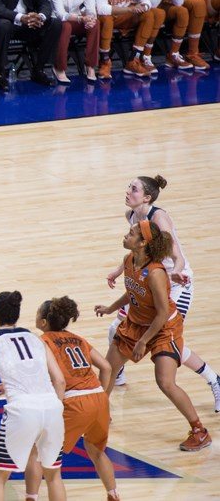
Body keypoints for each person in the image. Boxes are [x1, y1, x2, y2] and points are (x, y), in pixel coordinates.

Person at [105, 176, 220, 412]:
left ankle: (213, 379)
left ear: (147, 197)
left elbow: (177, 257)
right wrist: (119, 270)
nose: (128, 191)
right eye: (129, 186)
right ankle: (116, 372)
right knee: (115, 329)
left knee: (167, 342)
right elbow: (137, 253)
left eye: (133, 189)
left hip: (177, 283)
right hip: (148, 281)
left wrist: (175, 275)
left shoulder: (159, 217)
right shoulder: (132, 216)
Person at [96, 221, 212, 451]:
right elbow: (132, 291)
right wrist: (110, 308)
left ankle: (200, 431)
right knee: (108, 369)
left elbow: (163, 312)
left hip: (164, 328)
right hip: (137, 323)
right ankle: (99, 417)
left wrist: (143, 341)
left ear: (143, 243)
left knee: (165, 382)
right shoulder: (130, 260)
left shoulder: (157, 273)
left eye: (131, 234)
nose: (125, 236)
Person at [24, 297, 119, 501]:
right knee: (96, 451)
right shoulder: (78, 339)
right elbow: (107, 367)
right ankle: (113, 494)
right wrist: (101, 394)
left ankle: (30, 497)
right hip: (99, 398)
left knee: (39, 454)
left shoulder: (42, 341)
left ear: (43, 322)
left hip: (74, 401)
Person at [0, 291, 66, 501]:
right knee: (53, 476)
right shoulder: (38, 339)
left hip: (22, 412)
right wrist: (55, 409)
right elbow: (60, 381)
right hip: (53, 408)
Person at [94, 0, 159, 78]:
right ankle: (104, 63)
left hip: (127, 15)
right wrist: (130, 10)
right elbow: (101, 9)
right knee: (106, 19)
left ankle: (133, 61)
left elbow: (147, 1)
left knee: (149, 15)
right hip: (110, 17)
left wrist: (143, 6)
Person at [138, 0, 196, 72]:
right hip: (147, 10)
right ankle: (145, 56)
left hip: (164, 5)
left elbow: (179, 2)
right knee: (158, 13)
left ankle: (173, 54)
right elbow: (151, 5)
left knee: (182, 11)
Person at [48, 0, 99, 82]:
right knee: (66, 26)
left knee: (95, 24)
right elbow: (60, 14)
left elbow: (91, 8)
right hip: (55, 20)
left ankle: (90, 65)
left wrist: (91, 18)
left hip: (76, 18)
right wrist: (80, 18)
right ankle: (59, 67)